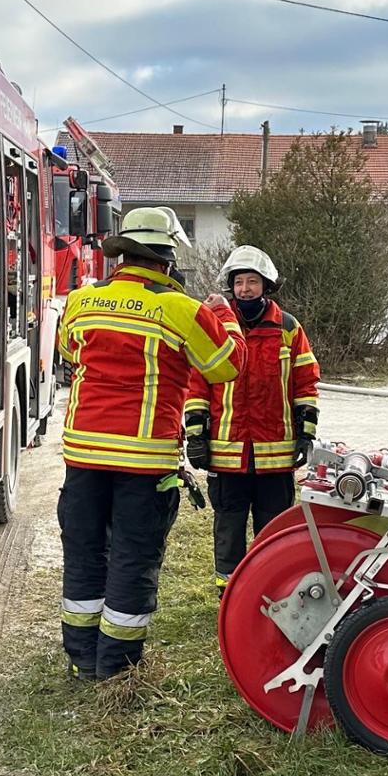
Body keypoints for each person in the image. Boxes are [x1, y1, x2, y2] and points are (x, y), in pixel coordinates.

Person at [57, 208, 246, 681]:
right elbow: (227, 365)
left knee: (84, 552)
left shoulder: (82, 300)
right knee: (132, 557)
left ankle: (82, 657)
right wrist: (225, 314)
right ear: (167, 258)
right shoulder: (183, 309)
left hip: (83, 457)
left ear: (122, 254)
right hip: (144, 461)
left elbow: (68, 351)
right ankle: (117, 669)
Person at [183, 246, 320, 593]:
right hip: (226, 454)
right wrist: (196, 436)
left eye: (252, 282)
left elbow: (305, 381)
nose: (245, 289)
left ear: (266, 285)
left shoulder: (288, 328)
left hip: (276, 456)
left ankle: (271, 586)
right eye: (239, 282)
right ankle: (229, 593)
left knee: (273, 527)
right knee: (228, 525)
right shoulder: (217, 327)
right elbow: (197, 383)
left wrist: (306, 433)